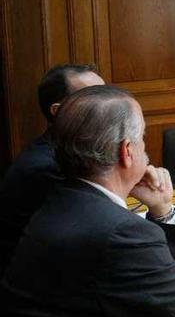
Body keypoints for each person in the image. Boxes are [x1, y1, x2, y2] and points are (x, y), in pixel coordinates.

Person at [0, 85, 175, 317]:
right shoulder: (119, 234)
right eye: (142, 138)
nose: (144, 147)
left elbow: (156, 286)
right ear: (126, 151)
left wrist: (162, 209)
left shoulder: (61, 197)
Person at [0, 64, 105, 273]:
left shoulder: (71, 150)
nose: (108, 105)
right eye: (94, 98)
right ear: (59, 111)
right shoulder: (46, 168)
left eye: (106, 94)